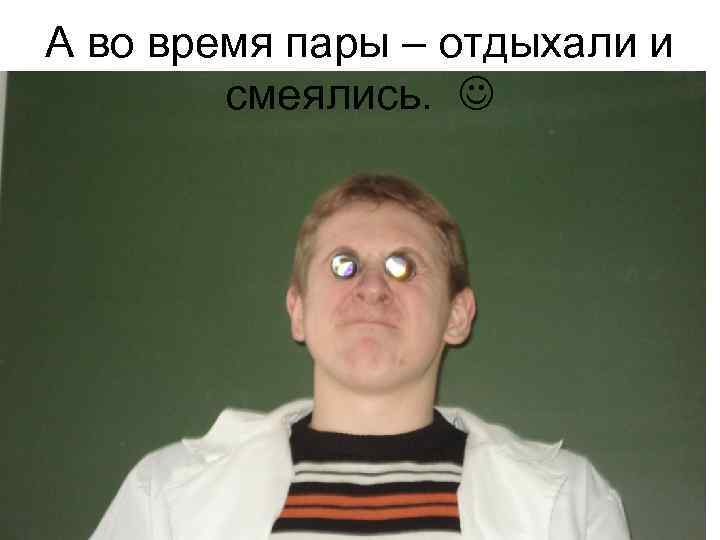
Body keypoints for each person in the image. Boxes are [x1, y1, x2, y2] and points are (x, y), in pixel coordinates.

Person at [91, 173, 631, 540]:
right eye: (343, 265)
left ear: (457, 315)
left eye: (404, 266)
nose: (372, 288)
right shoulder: (163, 497)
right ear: (298, 311)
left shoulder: (571, 502)